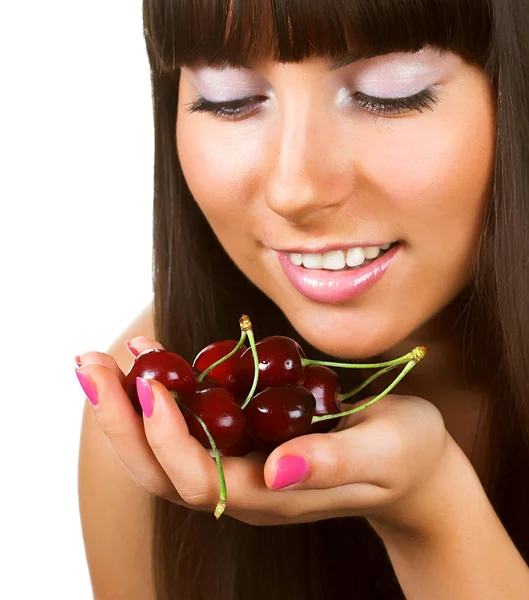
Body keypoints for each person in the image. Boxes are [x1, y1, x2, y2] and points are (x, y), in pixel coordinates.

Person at [76, 1, 529, 598]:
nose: (294, 188)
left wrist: (436, 520)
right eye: (228, 97)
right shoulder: (163, 418)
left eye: (390, 93)